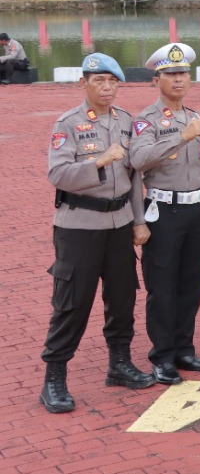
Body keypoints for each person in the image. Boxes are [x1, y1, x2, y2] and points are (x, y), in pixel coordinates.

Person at [39, 53, 154, 413]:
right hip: (79, 227)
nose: (107, 88)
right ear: (83, 84)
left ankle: (118, 364)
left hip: (119, 224)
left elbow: (135, 178)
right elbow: (58, 175)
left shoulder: (125, 122)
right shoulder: (69, 124)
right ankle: (54, 379)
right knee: (72, 304)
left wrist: (138, 220)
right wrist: (99, 161)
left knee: (122, 299)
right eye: (99, 81)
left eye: (112, 82)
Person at [130, 43, 200, 384]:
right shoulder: (146, 121)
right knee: (162, 288)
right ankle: (162, 356)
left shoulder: (194, 117)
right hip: (163, 211)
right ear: (157, 79)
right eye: (171, 74)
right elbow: (138, 162)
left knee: (191, 284)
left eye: (183, 73)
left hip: (196, 209)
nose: (179, 79)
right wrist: (180, 137)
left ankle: (184, 348)